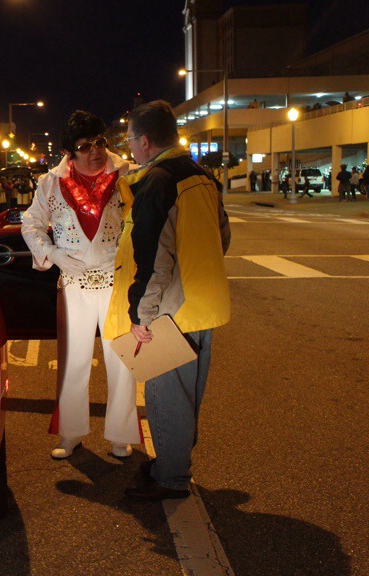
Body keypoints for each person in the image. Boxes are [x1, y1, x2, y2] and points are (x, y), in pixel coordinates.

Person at [107, 100, 231, 500]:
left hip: (170, 310)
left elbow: (153, 257)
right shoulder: (202, 176)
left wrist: (141, 314)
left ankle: (171, 478)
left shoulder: (157, 181)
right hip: (204, 302)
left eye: (130, 140)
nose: (129, 147)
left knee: (168, 396)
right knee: (188, 394)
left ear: (145, 141)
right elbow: (222, 236)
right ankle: (172, 465)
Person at [22, 111, 141, 460]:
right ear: (70, 152)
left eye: (100, 142)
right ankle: (71, 432)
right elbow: (31, 223)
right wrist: (52, 253)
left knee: (122, 361)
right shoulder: (50, 183)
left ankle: (121, 433)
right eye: (85, 146)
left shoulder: (127, 174)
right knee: (73, 361)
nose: (95, 151)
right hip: (73, 282)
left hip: (117, 279)